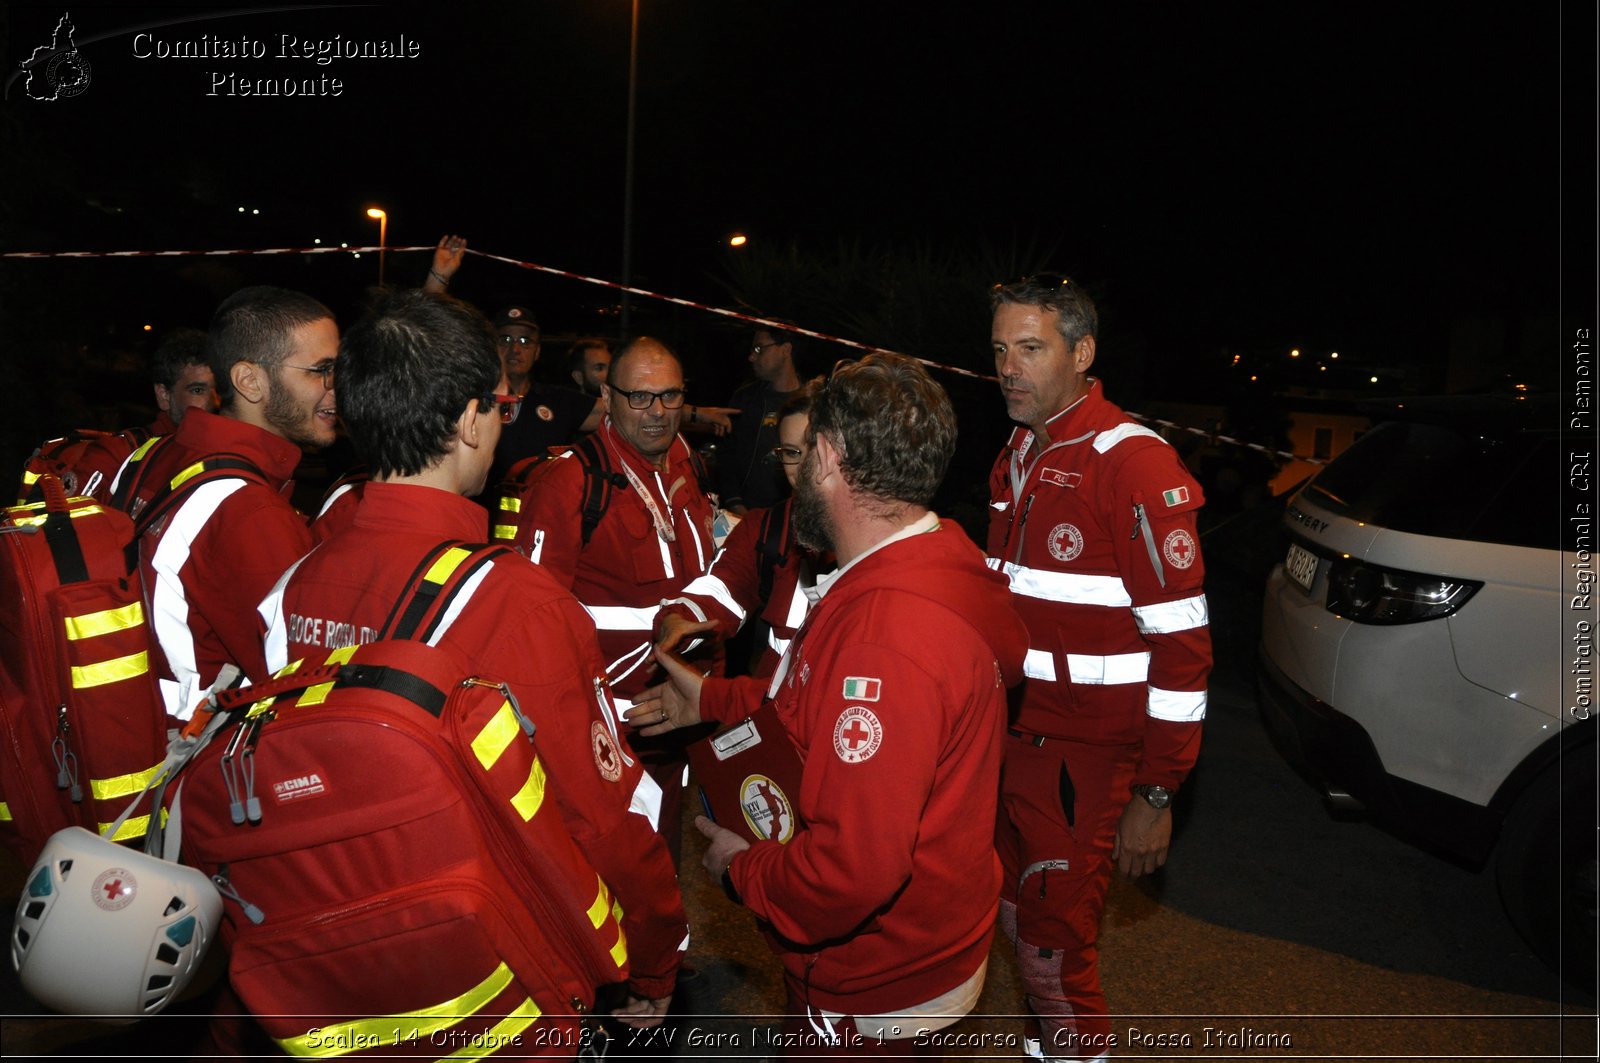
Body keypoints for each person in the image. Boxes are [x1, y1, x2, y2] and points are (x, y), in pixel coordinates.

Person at [257, 288, 686, 1027]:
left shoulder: (295, 582)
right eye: (500, 403)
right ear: (466, 420)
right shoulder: (515, 600)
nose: (504, 419)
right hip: (483, 981)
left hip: (328, 962)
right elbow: (601, 820)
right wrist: (654, 956)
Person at [631, 354, 1029, 1057]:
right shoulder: (929, 560)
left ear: (830, 457)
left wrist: (740, 868)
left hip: (877, 979)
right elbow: (817, 708)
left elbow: (854, 869)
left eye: (805, 446)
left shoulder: (889, 632)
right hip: (920, 948)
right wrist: (716, 698)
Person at [987, 274, 1211, 1062]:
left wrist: (1157, 791)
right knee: (1019, 930)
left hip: (1086, 766)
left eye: (1031, 348)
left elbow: (1184, 647)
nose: (1009, 367)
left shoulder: (1134, 464)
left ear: (1082, 352)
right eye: (1000, 350)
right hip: (1012, 749)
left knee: (1054, 959)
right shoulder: (1018, 451)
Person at [507, 336, 721, 866]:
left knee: (664, 861)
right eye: (639, 397)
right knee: (610, 870)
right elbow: (531, 621)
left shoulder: (684, 462)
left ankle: (666, 949)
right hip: (610, 730)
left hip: (683, 713)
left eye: (670, 396)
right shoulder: (570, 482)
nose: (658, 412)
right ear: (608, 396)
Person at [108, 285, 335, 721]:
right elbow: (297, 681)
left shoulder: (150, 453)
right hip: (197, 761)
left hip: (135, 729)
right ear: (249, 381)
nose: (334, 389)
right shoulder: (247, 509)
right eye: (319, 371)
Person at [654, 380, 829, 680]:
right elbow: (721, 587)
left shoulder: (875, 537)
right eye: (790, 452)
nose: (801, 467)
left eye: (813, 450)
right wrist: (682, 618)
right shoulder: (765, 528)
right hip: (771, 709)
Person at [716, 326, 803, 514]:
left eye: (759, 348)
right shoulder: (746, 399)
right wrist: (734, 501)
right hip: (742, 514)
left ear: (785, 349)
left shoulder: (808, 403)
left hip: (790, 520)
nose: (752, 357)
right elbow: (726, 455)